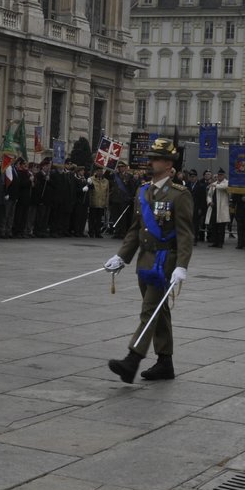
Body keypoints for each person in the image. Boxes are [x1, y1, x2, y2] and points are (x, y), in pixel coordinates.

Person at [104, 136, 193, 384]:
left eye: (156, 158)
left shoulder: (179, 195)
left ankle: (132, 360)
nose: (151, 162)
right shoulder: (143, 191)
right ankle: (165, 363)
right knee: (159, 311)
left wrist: (181, 266)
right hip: (145, 260)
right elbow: (135, 229)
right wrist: (121, 257)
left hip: (164, 262)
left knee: (150, 310)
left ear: (169, 163)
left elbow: (186, 234)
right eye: (151, 158)